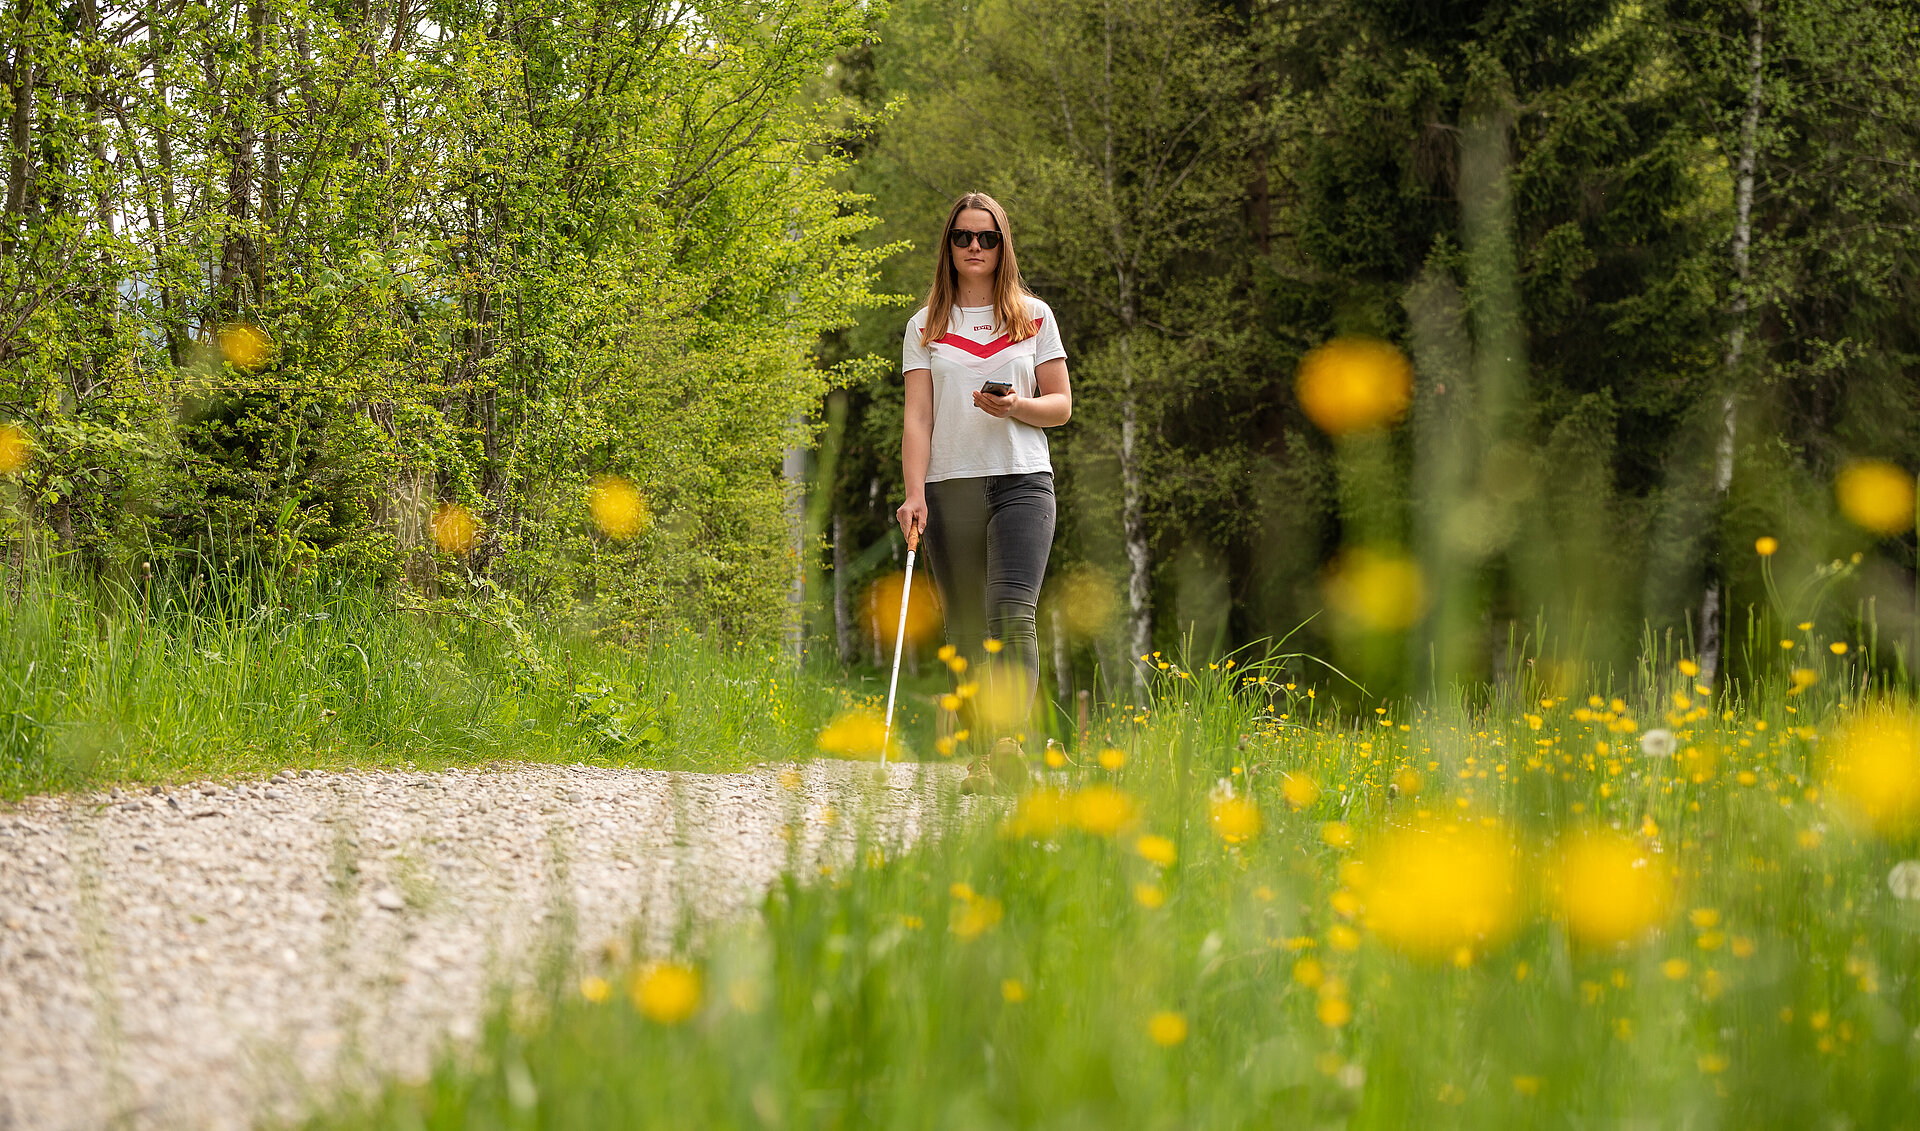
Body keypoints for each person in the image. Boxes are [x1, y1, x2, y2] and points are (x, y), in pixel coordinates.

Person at [896, 192, 1072, 794]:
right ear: (948, 245)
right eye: (964, 237)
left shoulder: (1033, 316)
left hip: (1023, 481)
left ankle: (1009, 747)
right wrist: (913, 492)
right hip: (950, 487)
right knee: (967, 629)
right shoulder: (925, 326)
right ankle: (980, 759)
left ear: (1003, 247)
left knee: (1012, 616)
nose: (975, 247)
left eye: (987, 238)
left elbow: (1062, 406)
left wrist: (1015, 405)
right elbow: (918, 417)